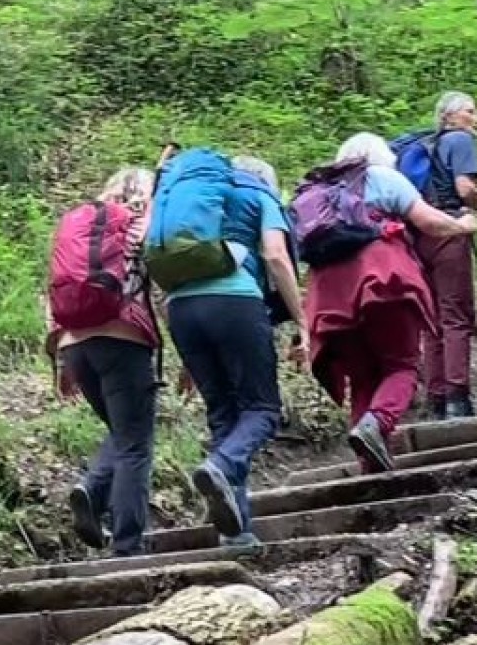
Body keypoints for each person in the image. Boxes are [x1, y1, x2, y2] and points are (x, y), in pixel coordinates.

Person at [300, 134, 477, 472]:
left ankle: (371, 465)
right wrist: (461, 224)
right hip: (381, 280)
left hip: (328, 295)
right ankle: (377, 423)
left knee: (364, 378)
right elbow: (428, 221)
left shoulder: (319, 193)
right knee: (403, 365)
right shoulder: (379, 177)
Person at [154, 150, 299, 546]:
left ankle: (235, 534)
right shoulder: (259, 196)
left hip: (181, 309)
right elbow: (275, 256)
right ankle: (220, 464)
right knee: (263, 410)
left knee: (223, 416)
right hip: (235, 302)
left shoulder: (197, 202)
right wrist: (303, 319)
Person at [50, 168, 159, 558]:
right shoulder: (137, 226)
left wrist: (61, 362)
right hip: (123, 342)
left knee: (122, 430)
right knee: (135, 446)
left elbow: (55, 289)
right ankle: (128, 545)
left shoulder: (78, 226)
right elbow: (154, 286)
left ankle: (93, 489)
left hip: (75, 345)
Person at [410, 93, 477, 419]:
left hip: (418, 233)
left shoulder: (427, 147)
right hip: (449, 231)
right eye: (470, 111)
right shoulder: (459, 140)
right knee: (455, 315)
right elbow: (465, 189)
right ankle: (458, 399)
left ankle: (437, 397)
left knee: (432, 319)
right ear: (451, 116)